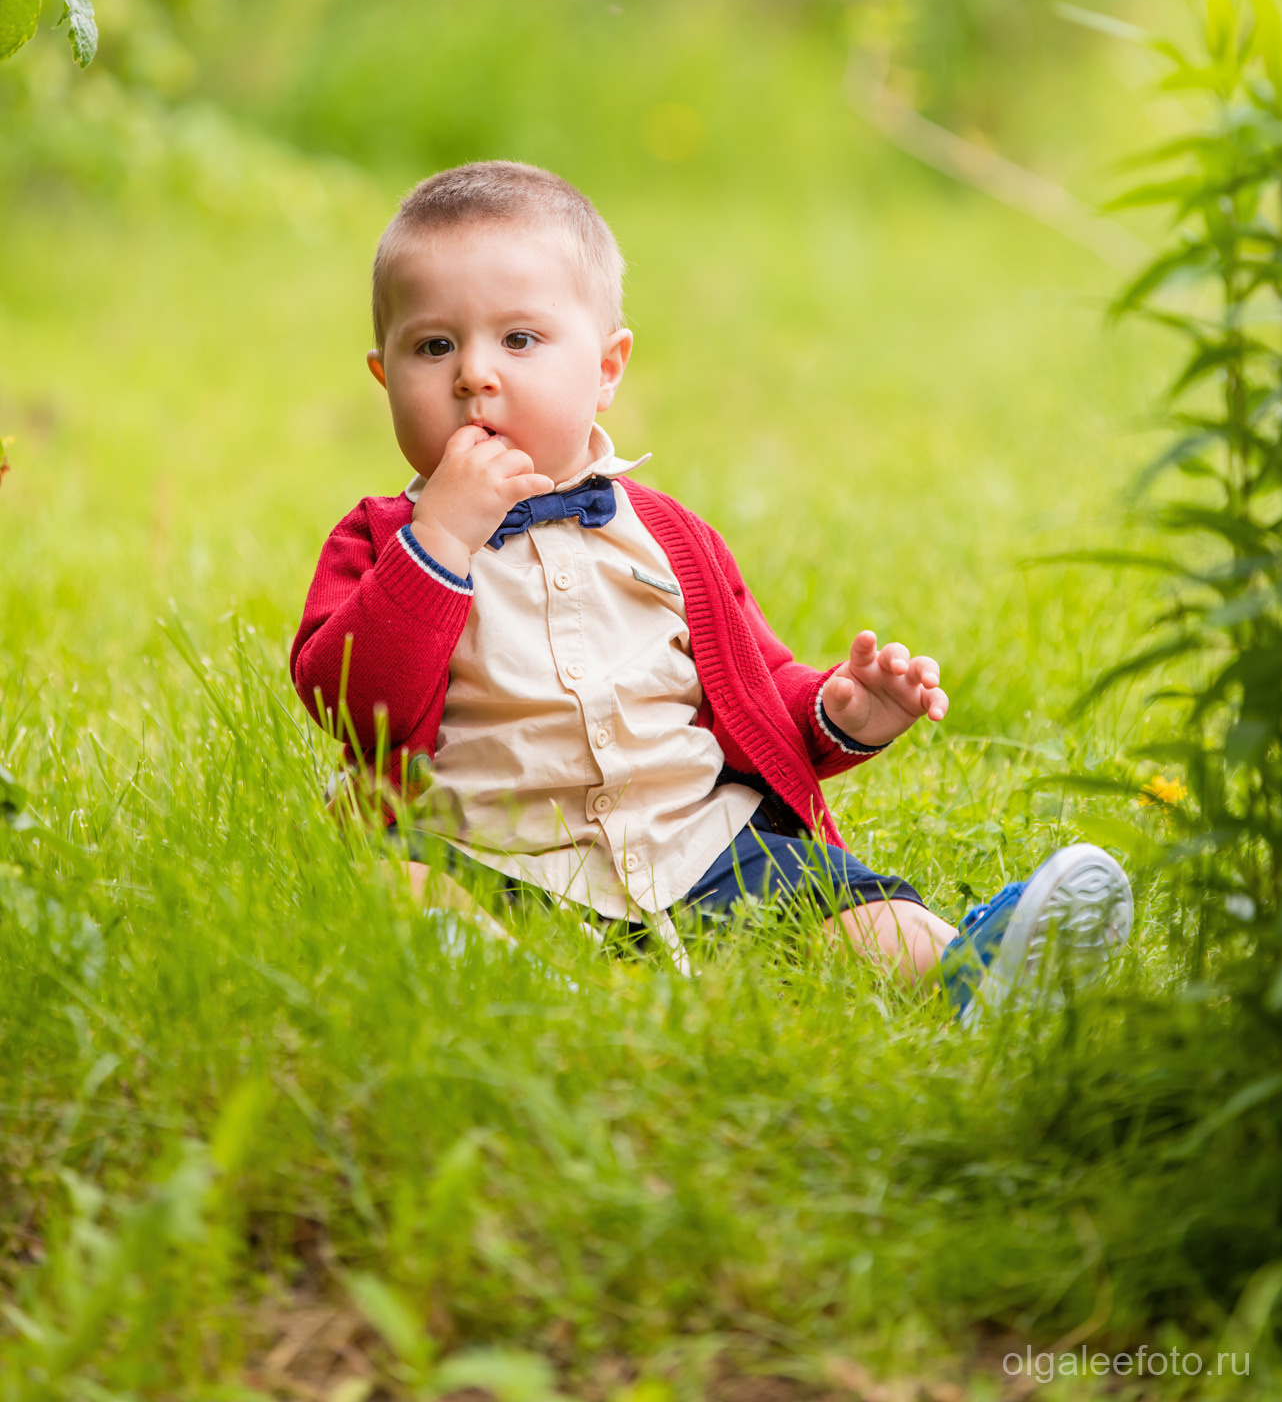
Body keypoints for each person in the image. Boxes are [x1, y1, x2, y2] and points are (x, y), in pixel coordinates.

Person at [291, 161, 1132, 1018]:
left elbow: (754, 692)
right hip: (497, 854)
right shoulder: (381, 544)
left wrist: (840, 713)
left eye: (520, 340)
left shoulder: (670, 539)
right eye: (434, 347)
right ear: (385, 377)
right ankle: (533, 988)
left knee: (837, 899)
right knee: (404, 887)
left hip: (696, 844)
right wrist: (439, 543)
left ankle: (971, 969)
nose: (474, 375)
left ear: (607, 368)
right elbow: (350, 705)